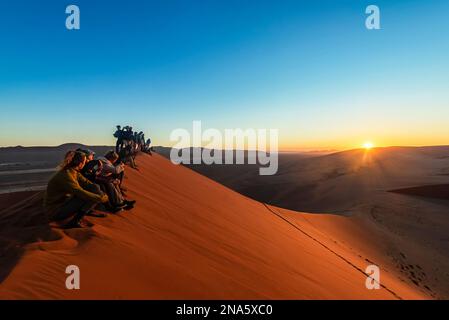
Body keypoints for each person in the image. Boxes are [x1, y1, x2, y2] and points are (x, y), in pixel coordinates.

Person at [44, 151, 109, 229]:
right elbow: (80, 192)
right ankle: (74, 221)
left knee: (95, 187)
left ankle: (80, 217)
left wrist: (99, 193)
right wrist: (101, 198)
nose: (85, 164)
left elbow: (88, 183)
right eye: (85, 162)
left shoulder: (74, 172)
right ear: (80, 163)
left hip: (65, 204)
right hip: (55, 211)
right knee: (89, 196)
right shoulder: (66, 175)